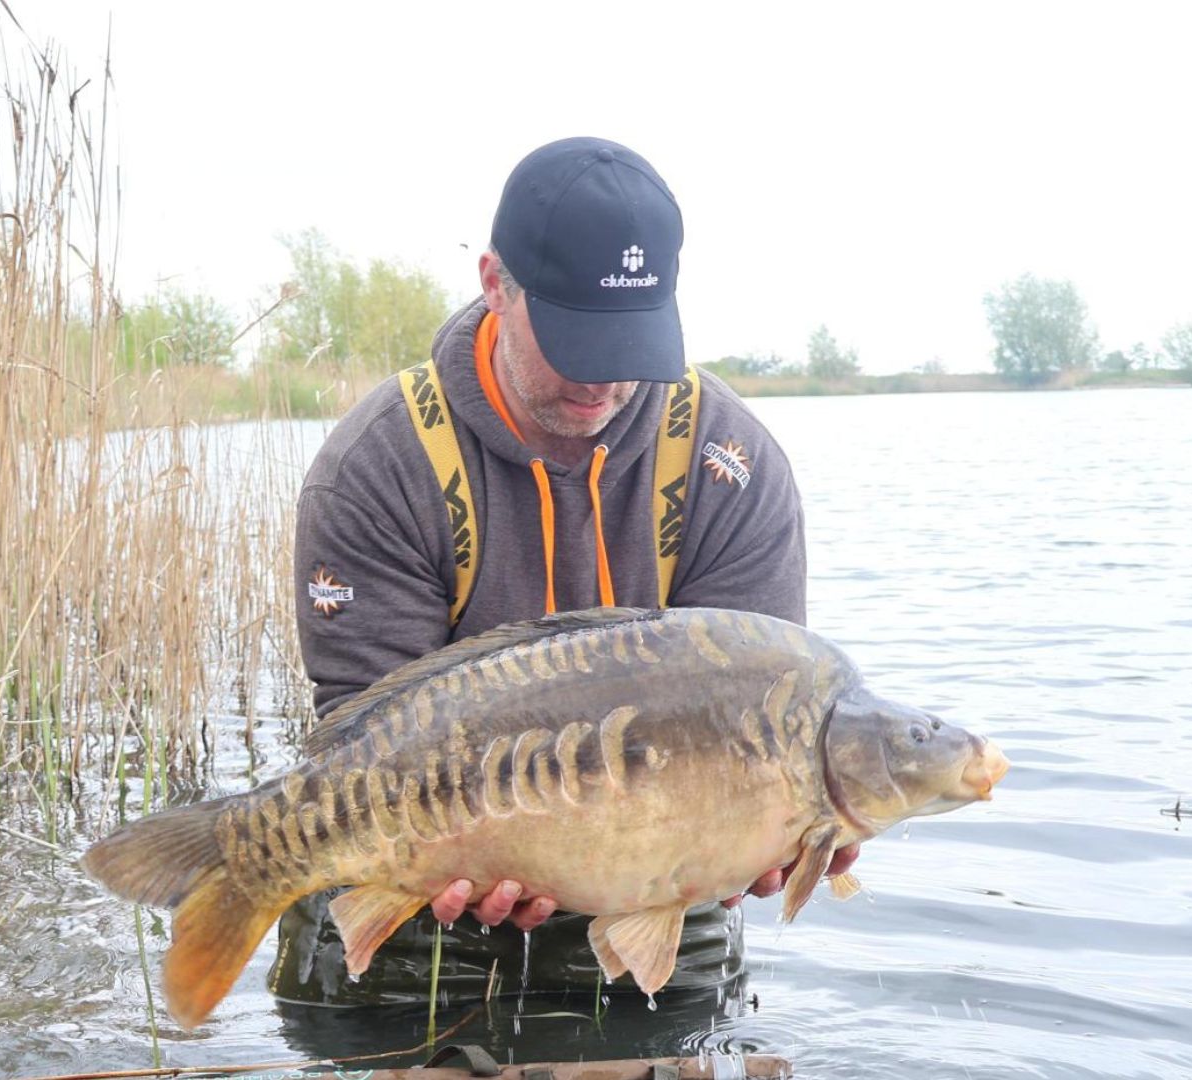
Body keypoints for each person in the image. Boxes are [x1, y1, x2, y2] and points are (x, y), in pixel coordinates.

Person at [269, 136, 858, 1011]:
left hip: (660, 880)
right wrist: (480, 845)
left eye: (631, 340)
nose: (602, 379)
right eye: (576, 337)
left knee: (682, 1053)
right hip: (428, 878)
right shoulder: (380, 465)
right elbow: (366, 734)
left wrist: (778, 837)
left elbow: (765, 710)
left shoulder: (729, 463)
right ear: (494, 284)